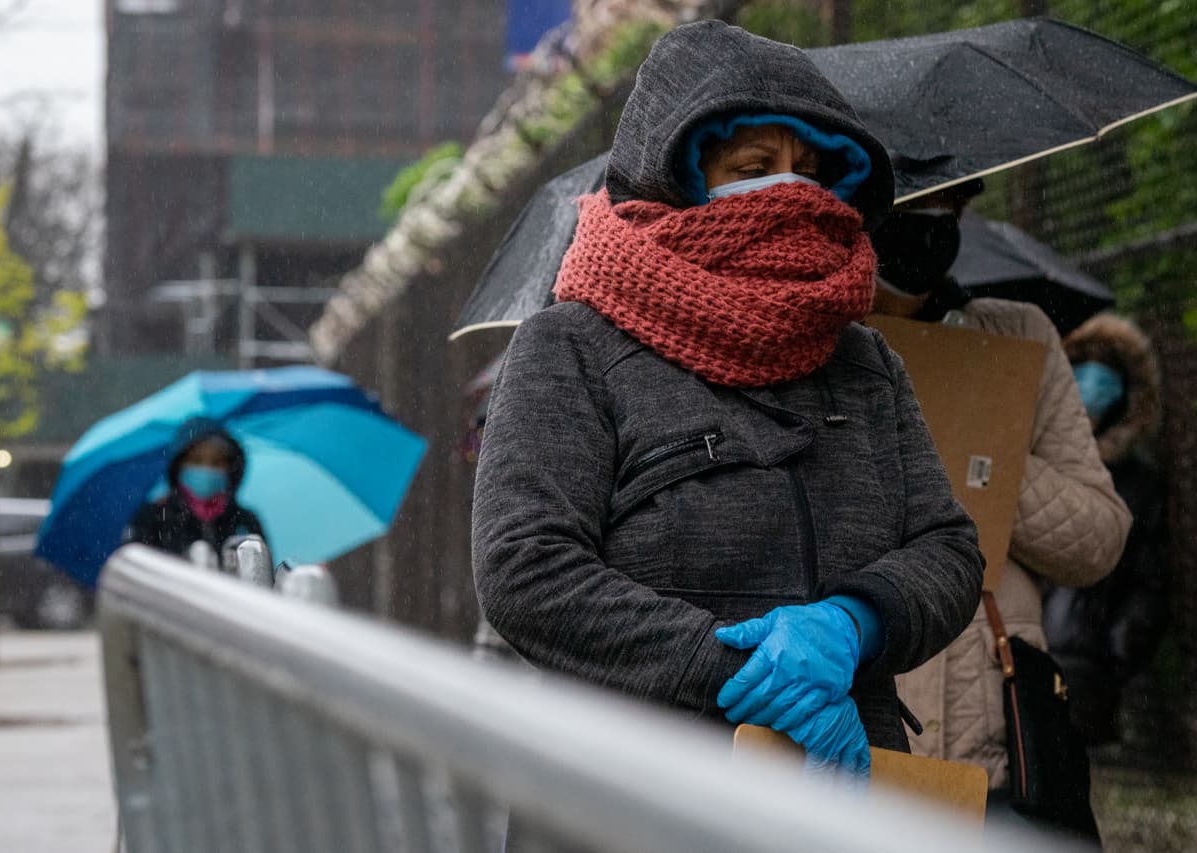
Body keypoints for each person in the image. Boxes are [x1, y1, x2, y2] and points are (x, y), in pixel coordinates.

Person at [472, 20, 984, 776]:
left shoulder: (864, 360)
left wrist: (853, 621)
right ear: (678, 174)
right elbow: (526, 567)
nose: (789, 188)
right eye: (754, 164)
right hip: (633, 790)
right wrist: (747, 675)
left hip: (839, 788)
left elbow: (948, 549)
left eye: (808, 168)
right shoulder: (571, 346)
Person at [872, 187, 1132, 841]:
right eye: (915, 205)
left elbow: (1098, 539)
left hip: (992, 744)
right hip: (846, 741)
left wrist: (980, 436)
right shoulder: (805, 342)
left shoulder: (1016, 334)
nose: (933, 225)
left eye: (952, 210)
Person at [1044, 313, 1169, 746]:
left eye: (1107, 373)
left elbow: (1149, 581)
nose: (1092, 383)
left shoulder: (1139, 484)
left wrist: (1117, 652)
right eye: (1083, 367)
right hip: (1017, 652)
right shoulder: (1037, 461)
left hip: (1089, 666)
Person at [125, 417, 266, 563]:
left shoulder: (245, 521)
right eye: (197, 460)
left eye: (217, 462)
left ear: (230, 469)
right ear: (179, 466)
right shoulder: (153, 518)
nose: (207, 468)